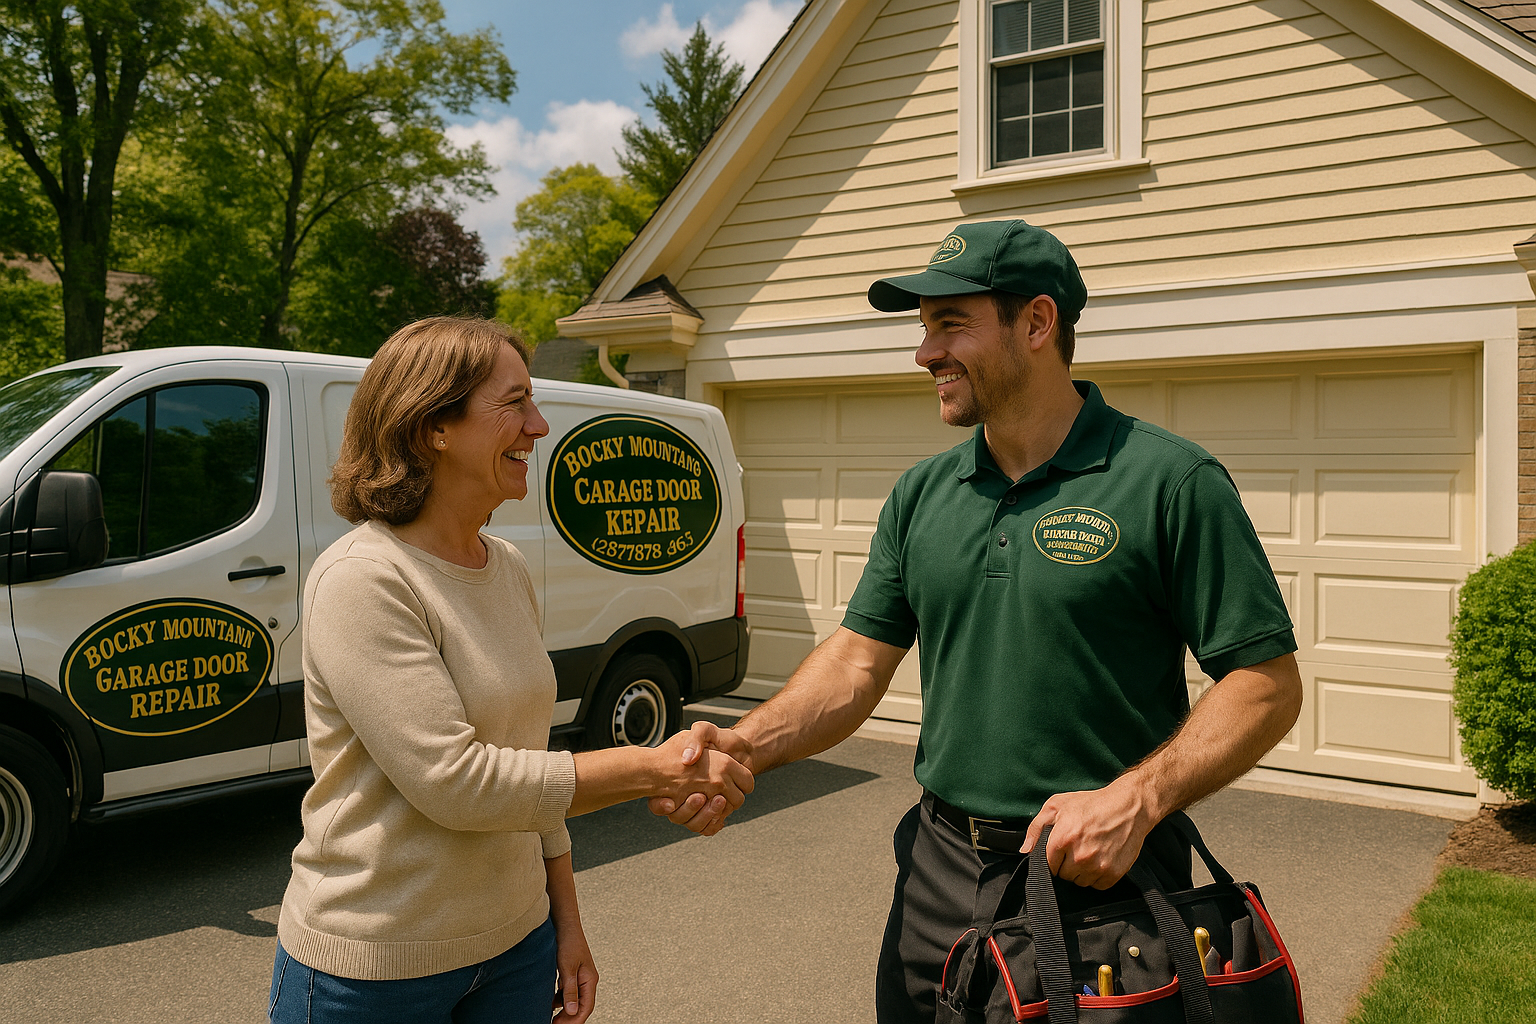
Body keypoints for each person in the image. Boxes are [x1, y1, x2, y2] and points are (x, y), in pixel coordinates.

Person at [654, 220, 1305, 1021]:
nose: (924, 353)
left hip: (1102, 884)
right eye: (925, 328)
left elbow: (1266, 683)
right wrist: (744, 744)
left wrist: (1138, 799)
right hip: (938, 879)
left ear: (1037, 323)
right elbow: (856, 662)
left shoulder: (1170, 481)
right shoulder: (923, 495)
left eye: (950, 324)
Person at [270, 317, 753, 1024]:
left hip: (517, 949)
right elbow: (456, 783)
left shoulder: (507, 568)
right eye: (515, 402)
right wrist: (657, 767)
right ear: (433, 426)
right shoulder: (363, 578)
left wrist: (566, 921)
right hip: (375, 970)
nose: (539, 425)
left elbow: (529, 761)